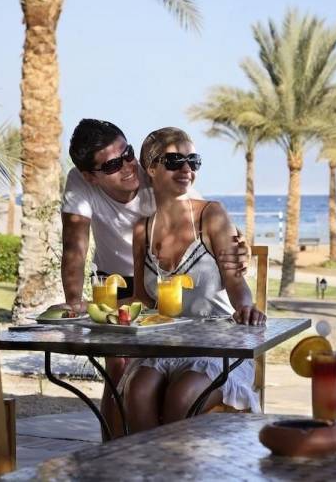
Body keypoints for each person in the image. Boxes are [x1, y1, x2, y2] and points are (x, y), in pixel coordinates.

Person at [61, 119, 249, 436]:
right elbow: (74, 249)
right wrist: (74, 303)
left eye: (128, 154)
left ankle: (156, 451)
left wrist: (240, 248)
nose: (127, 166)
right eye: (113, 165)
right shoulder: (81, 183)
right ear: (90, 175)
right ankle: (115, 452)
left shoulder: (160, 173)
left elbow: (207, 223)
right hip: (118, 282)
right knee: (118, 369)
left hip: (166, 284)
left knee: (155, 382)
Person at [122, 127, 266, 432]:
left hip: (217, 346)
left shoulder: (211, 215)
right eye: (174, 161)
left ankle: (177, 461)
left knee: (182, 395)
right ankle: (148, 461)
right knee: (137, 391)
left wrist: (246, 307)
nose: (186, 168)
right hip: (166, 345)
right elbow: (142, 299)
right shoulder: (142, 230)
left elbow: (236, 281)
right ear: (151, 168)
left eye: (193, 160)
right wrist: (92, 311)